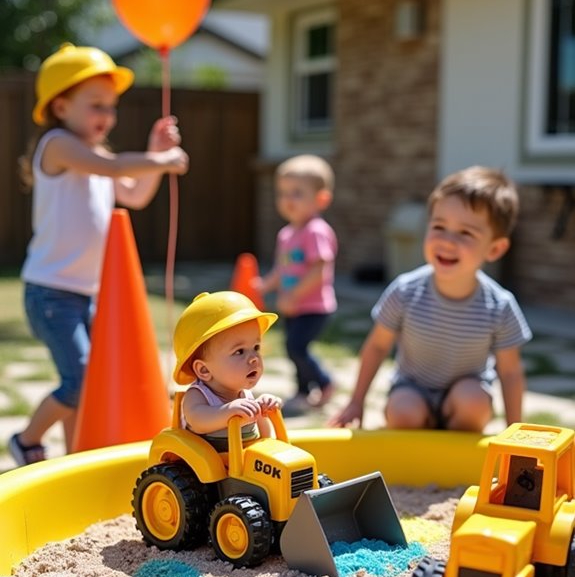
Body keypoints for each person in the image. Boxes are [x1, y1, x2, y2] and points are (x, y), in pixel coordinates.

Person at [9, 43, 189, 466]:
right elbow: (114, 170)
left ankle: (75, 456)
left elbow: (134, 194)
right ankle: (26, 438)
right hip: (51, 292)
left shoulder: (100, 156)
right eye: (95, 105)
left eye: (110, 106)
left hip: (88, 292)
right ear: (60, 105)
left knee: (86, 382)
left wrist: (154, 155)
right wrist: (159, 156)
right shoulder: (57, 145)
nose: (106, 115)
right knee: (81, 378)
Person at [330, 166, 532, 432]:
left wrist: (515, 429)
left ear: (494, 249)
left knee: (473, 403)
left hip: (467, 393)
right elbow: (377, 347)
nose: (447, 241)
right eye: (439, 226)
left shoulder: (499, 306)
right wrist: (356, 402)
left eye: (465, 233)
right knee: (403, 411)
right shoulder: (405, 291)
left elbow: (509, 371)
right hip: (412, 388)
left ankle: (454, 444)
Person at [256, 154, 338, 417]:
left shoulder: (316, 231)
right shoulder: (287, 233)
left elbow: (319, 269)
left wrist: (293, 294)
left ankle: (324, 383)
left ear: (321, 199)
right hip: (294, 306)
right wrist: (266, 285)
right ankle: (304, 390)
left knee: (296, 346)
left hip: (314, 306)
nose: (288, 200)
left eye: (297, 193)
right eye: (283, 193)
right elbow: (283, 268)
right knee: (293, 348)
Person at [172, 290, 282, 449]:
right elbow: (198, 421)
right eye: (239, 351)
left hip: (242, 459)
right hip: (208, 460)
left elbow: (265, 434)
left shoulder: (244, 395)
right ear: (204, 370)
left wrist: (263, 407)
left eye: (256, 347)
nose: (254, 358)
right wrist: (227, 411)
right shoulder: (198, 395)